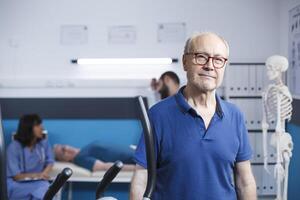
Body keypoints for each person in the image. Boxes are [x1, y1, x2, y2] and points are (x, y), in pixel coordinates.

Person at [130, 32, 257, 200]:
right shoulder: (158, 115)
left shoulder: (235, 116)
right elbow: (141, 180)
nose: (210, 66)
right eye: (201, 57)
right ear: (185, 62)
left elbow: (245, 182)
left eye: (218, 60)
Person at [6, 114, 54, 200]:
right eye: (38, 125)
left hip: (38, 182)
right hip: (17, 184)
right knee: (43, 189)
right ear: (27, 127)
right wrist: (39, 175)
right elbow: (16, 176)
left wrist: (44, 174)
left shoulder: (43, 144)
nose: (42, 128)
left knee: (45, 187)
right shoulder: (13, 147)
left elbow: (50, 161)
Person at [54, 140, 136, 171]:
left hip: (136, 150)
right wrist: (136, 168)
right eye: (63, 152)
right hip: (137, 159)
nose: (66, 149)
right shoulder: (80, 159)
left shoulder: (83, 150)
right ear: (64, 160)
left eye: (63, 147)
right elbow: (104, 166)